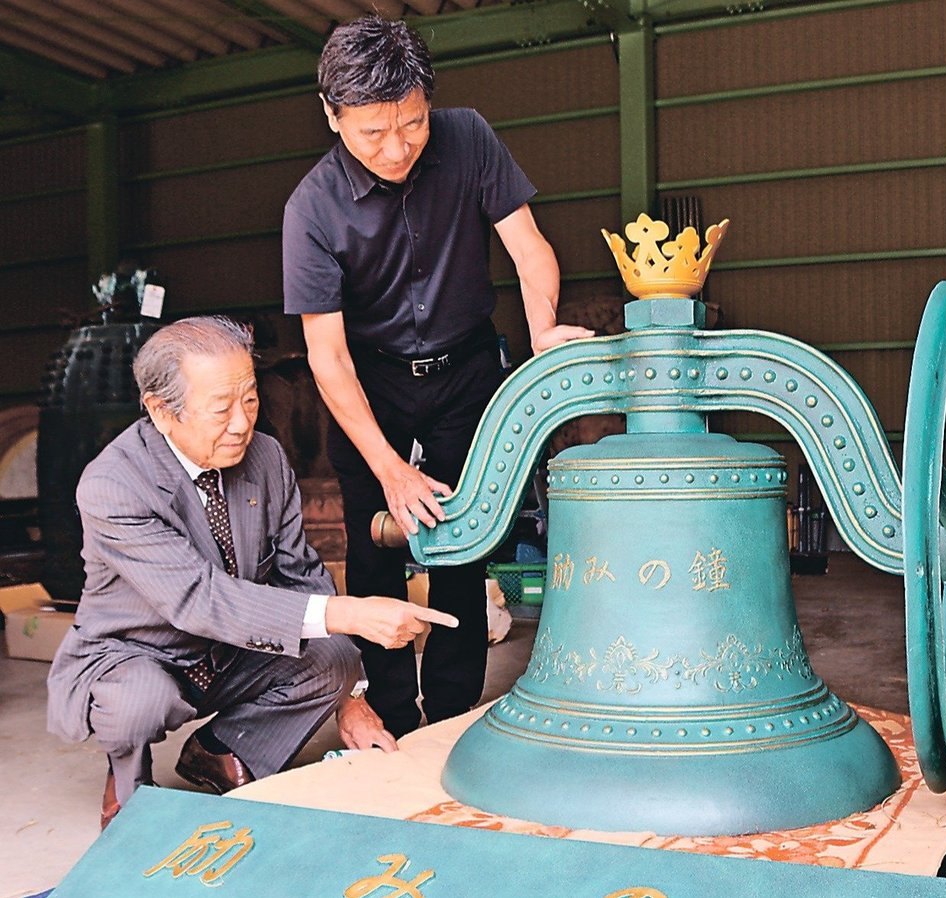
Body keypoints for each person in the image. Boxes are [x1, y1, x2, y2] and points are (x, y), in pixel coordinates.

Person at [282, 16, 592, 740]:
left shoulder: (469, 137)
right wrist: (389, 468)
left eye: (412, 124)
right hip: (370, 383)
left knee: (464, 537)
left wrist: (542, 328)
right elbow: (328, 356)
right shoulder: (311, 209)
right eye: (373, 133)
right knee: (374, 546)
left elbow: (529, 247)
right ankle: (389, 715)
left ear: (430, 103)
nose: (397, 148)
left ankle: (452, 713)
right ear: (332, 115)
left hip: (465, 368)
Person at [45, 316, 456, 830]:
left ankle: (223, 750)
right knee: (137, 701)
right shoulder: (114, 484)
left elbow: (301, 573)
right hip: (140, 653)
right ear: (161, 411)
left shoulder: (265, 457)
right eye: (221, 408)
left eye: (251, 399)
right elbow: (199, 599)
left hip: (230, 651)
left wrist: (351, 696)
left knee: (334, 657)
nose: (242, 423)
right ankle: (128, 775)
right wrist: (351, 612)